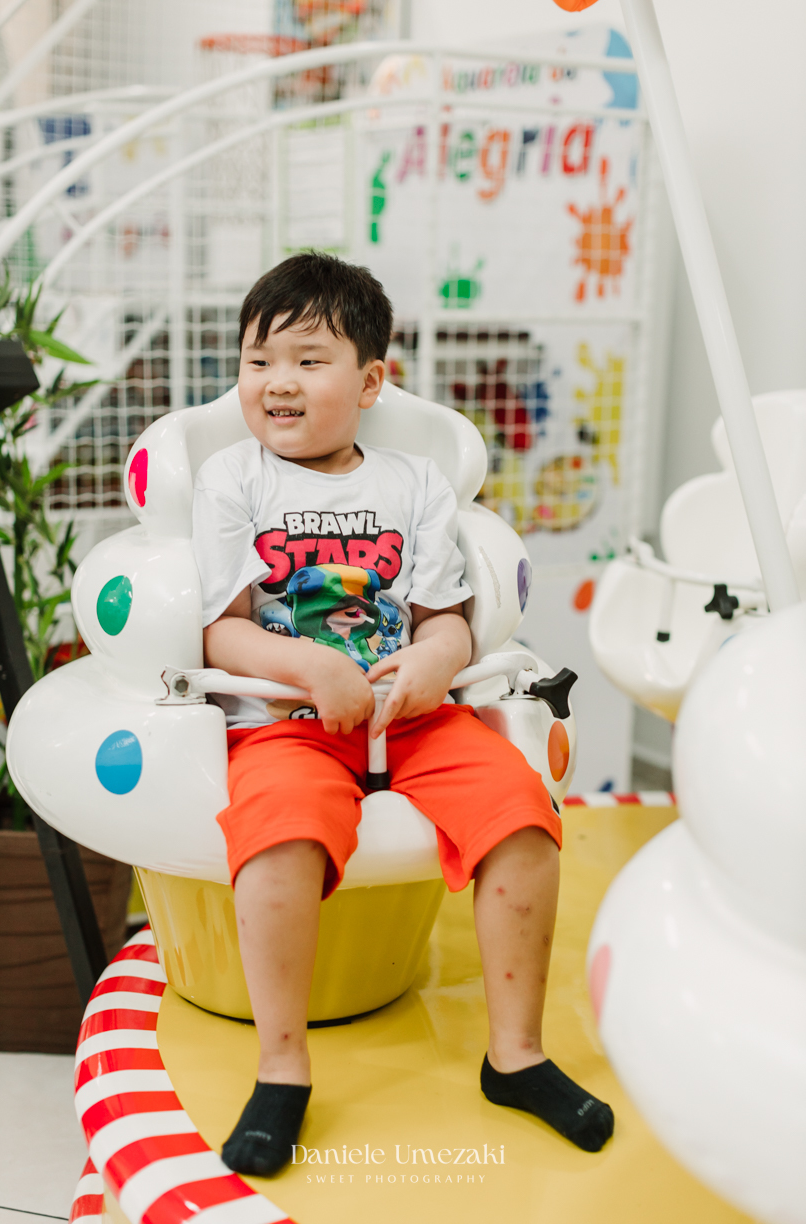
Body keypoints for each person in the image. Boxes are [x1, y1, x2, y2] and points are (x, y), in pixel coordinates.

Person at [191, 251, 614, 1176]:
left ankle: (518, 1055)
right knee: (278, 839)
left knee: (523, 818)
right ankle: (281, 1069)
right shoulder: (233, 479)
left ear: (372, 380)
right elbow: (221, 634)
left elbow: (446, 622)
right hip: (285, 721)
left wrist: (430, 661)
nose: (278, 383)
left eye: (307, 359)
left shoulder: (413, 484)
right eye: (258, 362)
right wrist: (307, 666)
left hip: (415, 716)